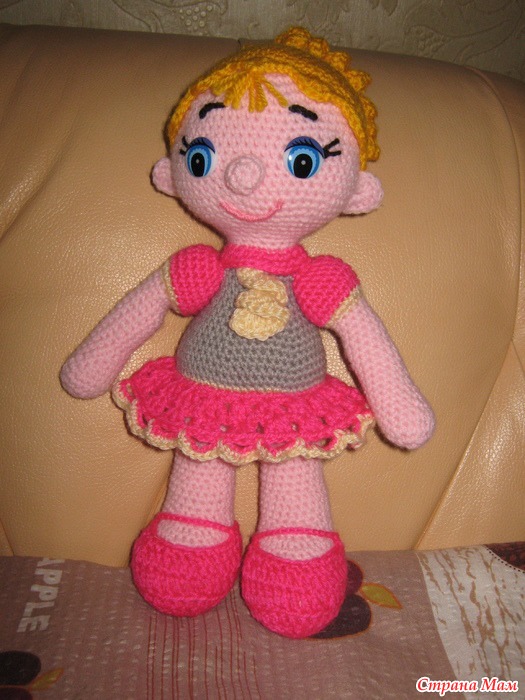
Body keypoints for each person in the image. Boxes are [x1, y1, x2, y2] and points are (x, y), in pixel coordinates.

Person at [61, 27, 435, 638]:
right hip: (202, 396)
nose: (240, 177)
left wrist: (401, 409)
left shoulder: (322, 281)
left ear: (356, 192)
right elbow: (141, 311)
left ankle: (297, 546)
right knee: (199, 466)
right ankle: (192, 538)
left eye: (302, 160)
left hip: (293, 404)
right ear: (172, 174)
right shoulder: (196, 270)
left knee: (294, 472)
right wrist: (92, 366)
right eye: (203, 157)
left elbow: (365, 339)